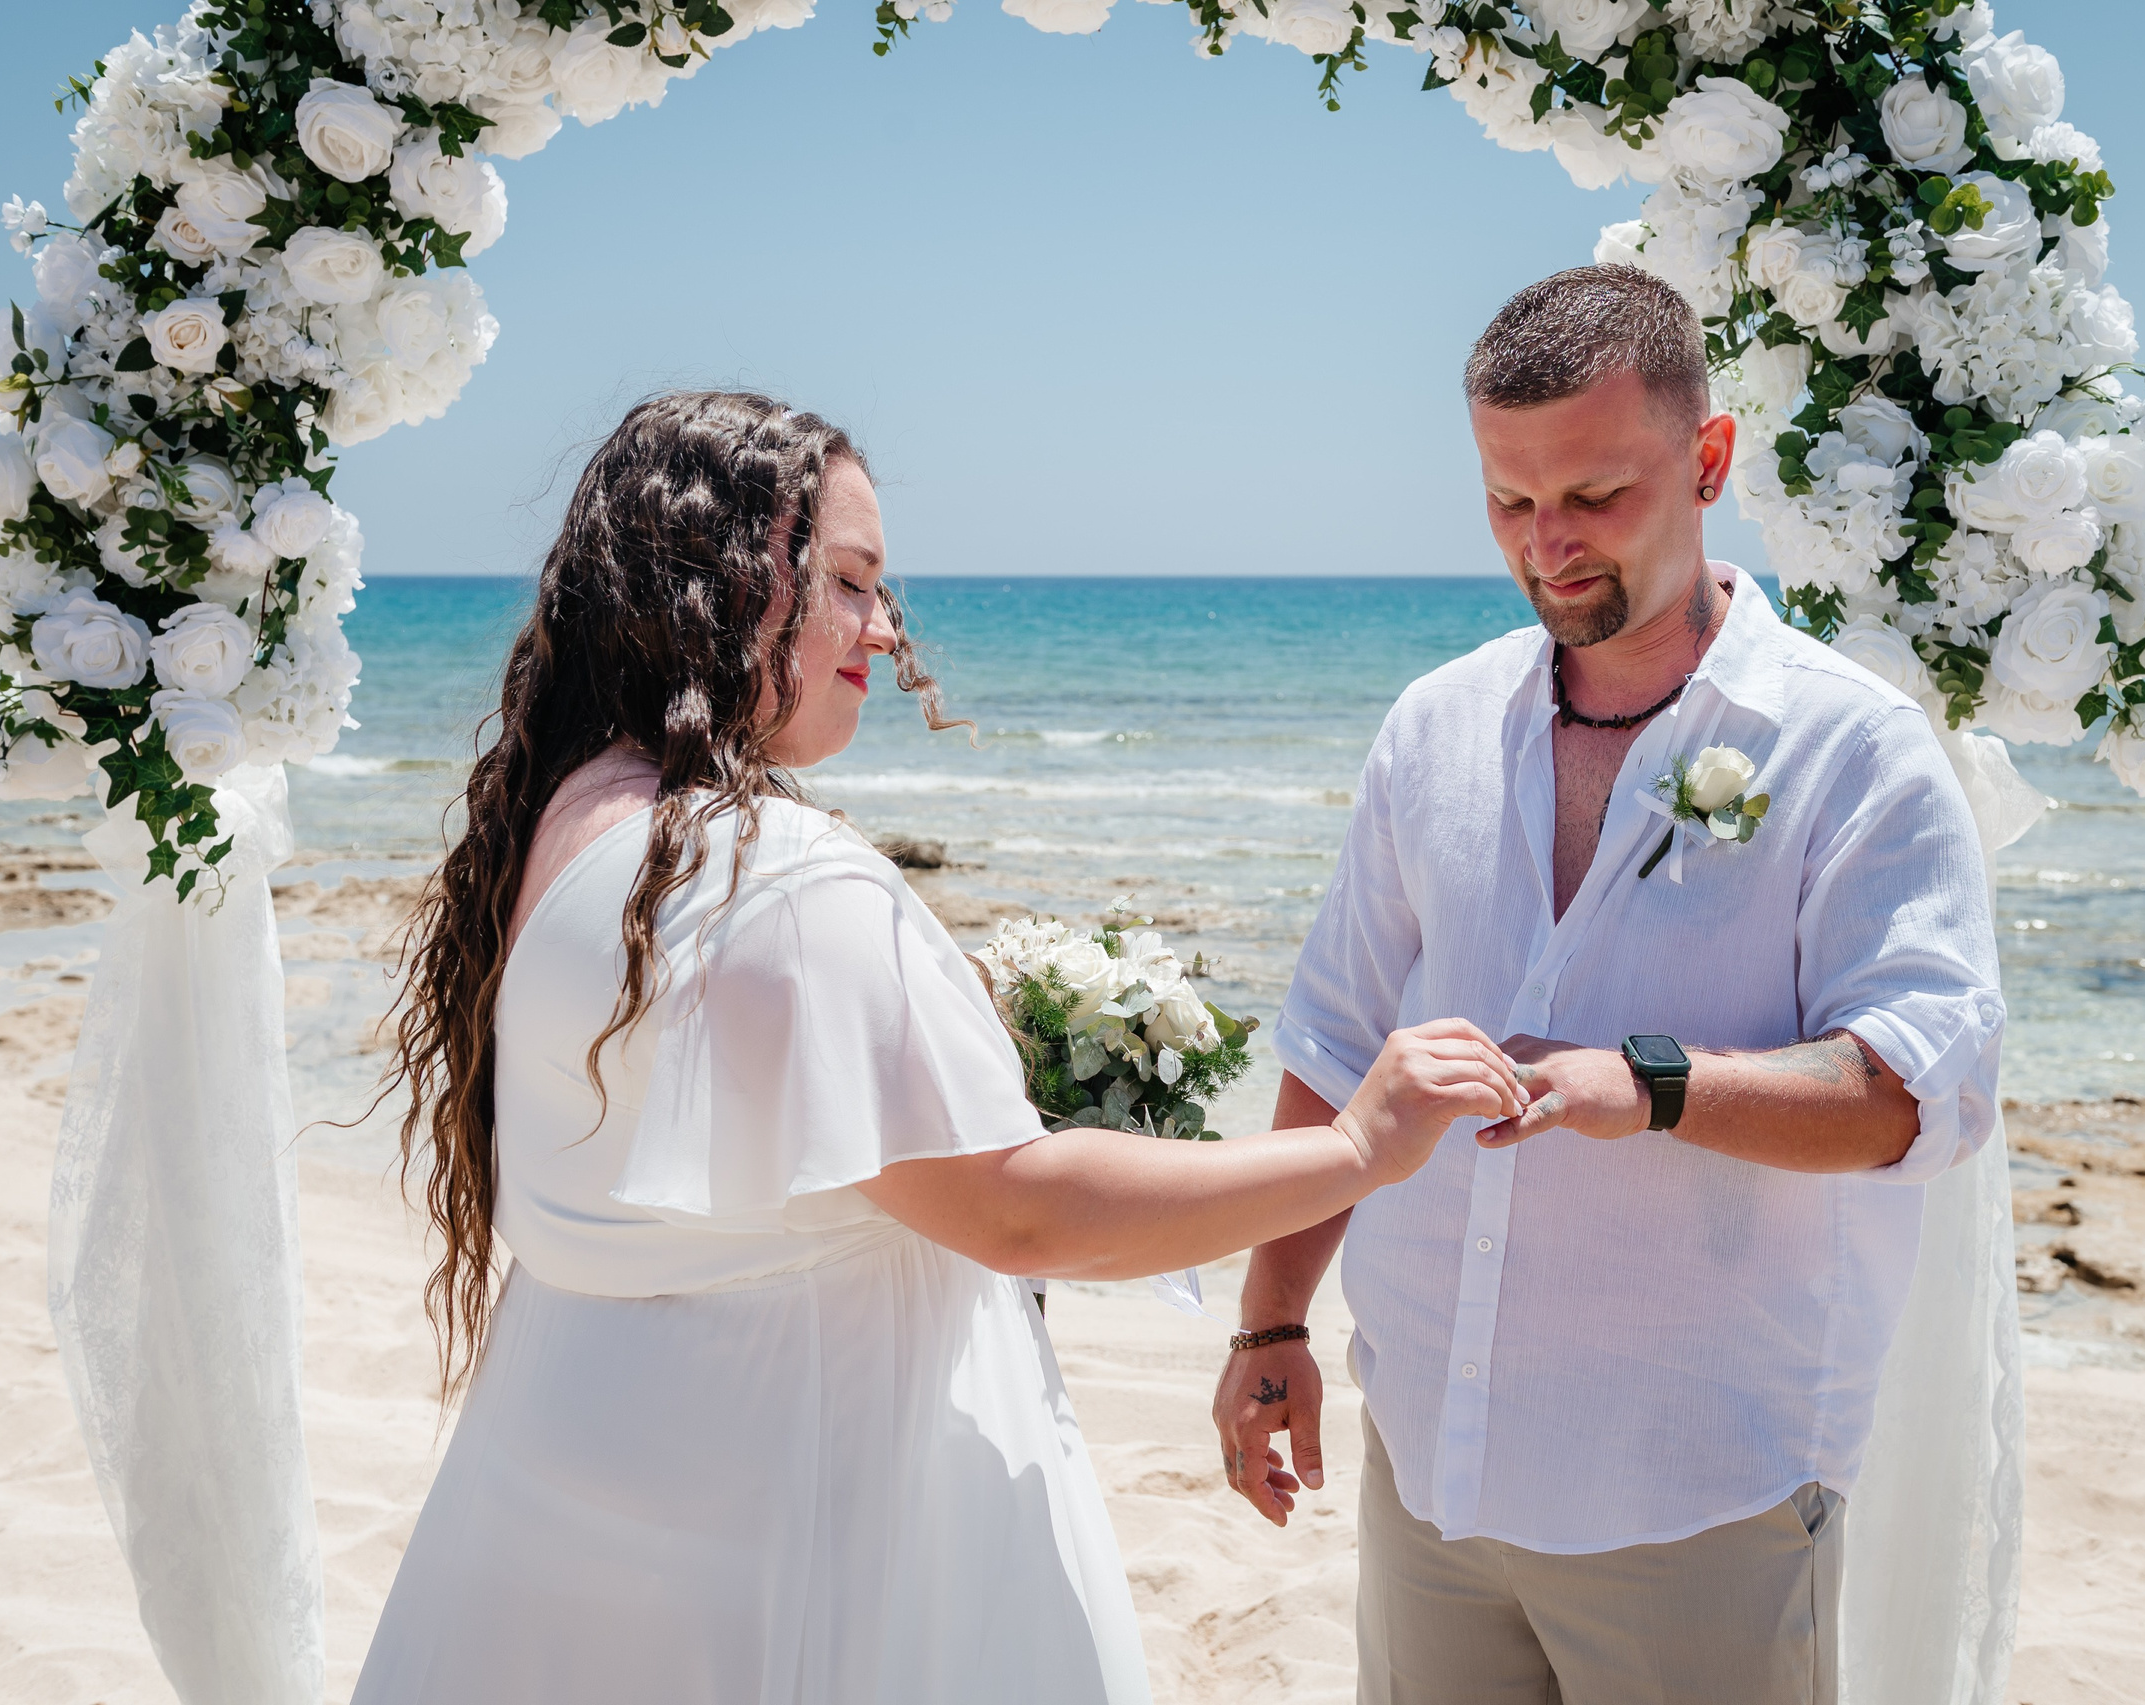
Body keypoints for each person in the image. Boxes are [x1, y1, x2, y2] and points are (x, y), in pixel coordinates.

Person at [351, 390, 1528, 1704]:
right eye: (849, 583)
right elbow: (1022, 1215)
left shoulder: (571, 819)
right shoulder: (780, 880)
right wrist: (1360, 1145)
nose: (886, 628)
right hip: (807, 1555)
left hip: (590, 1522)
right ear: (729, 584)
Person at [1210, 266, 2005, 1704]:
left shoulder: (1855, 749)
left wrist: (1650, 1086)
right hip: (1432, 1476)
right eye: (1510, 502)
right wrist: (1271, 1321)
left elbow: (1913, 1091)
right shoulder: (1433, 724)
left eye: (1593, 495)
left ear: (1709, 462)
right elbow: (1335, 1034)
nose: (1547, 544)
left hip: (1703, 1496)